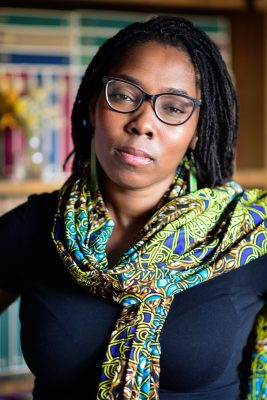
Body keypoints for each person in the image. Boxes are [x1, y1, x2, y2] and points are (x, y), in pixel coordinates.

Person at [0, 15, 267, 400]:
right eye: (125, 95)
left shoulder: (246, 235)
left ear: (197, 132)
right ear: (93, 106)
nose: (143, 123)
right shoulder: (35, 227)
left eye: (174, 108)